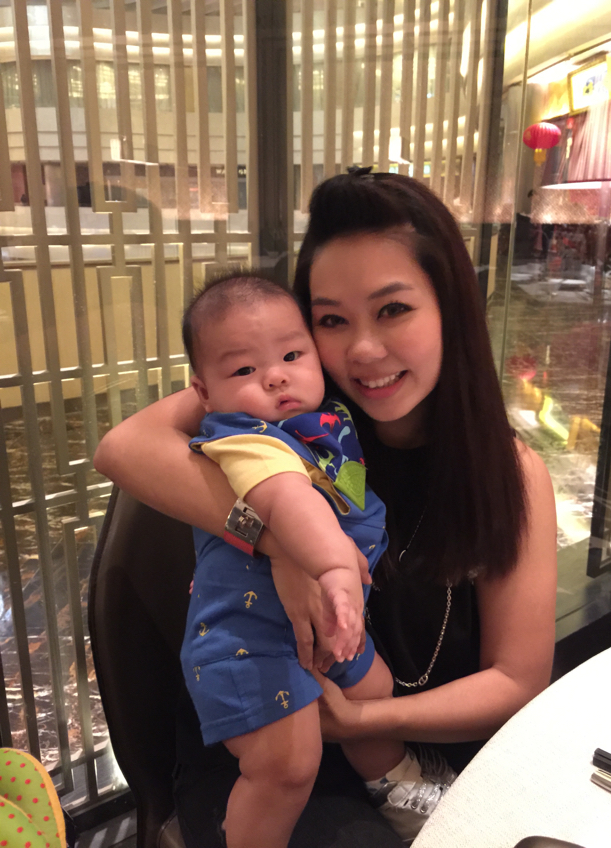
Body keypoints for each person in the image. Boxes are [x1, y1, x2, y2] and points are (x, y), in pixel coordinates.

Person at [93, 170, 557, 848]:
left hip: (403, 744)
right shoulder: (292, 410)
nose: (362, 350)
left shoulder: (507, 473)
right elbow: (122, 447)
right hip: (269, 745)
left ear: (451, 309)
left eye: (393, 310)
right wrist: (279, 539)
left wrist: (364, 722)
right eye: (332, 320)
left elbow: (517, 680)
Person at [179, 272, 453, 847]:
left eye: (291, 355)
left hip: (319, 621)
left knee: (374, 688)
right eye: (244, 369)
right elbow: (291, 500)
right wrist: (333, 569)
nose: (275, 376)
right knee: (288, 765)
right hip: (247, 637)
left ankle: (394, 785)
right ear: (204, 393)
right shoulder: (249, 438)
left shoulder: (323, 419)